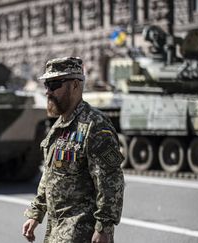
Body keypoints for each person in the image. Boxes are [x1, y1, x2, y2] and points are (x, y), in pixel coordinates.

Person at [22, 57, 124, 243]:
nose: (47, 92)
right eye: (46, 85)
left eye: (54, 84)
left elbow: (111, 179)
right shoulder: (58, 126)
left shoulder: (96, 126)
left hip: (81, 231)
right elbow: (51, 174)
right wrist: (36, 213)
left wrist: (104, 227)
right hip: (57, 230)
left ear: (75, 85)